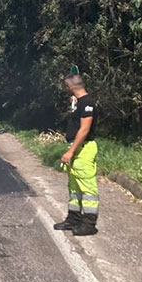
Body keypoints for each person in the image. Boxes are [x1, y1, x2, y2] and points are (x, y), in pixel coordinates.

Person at [53, 73, 99, 236]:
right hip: (77, 148)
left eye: (67, 87)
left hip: (84, 149)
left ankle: (88, 224)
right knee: (74, 188)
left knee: (87, 188)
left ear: (70, 87)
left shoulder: (87, 103)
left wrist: (71, 151)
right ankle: (73, 219)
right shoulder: (80, 103)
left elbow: (85, 129)